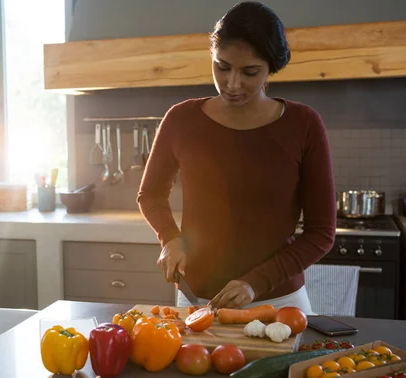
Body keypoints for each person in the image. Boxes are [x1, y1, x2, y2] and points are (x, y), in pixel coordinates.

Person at [137, 1, 336, 314]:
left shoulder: (304, 124)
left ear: (271, 67)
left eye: (250, 72)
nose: (232, 84)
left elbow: (321, 233)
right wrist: (169, 238)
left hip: (278, 302)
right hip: (197, 298)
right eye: (222, 67)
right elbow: (150, 195)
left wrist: (255, 282)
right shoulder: (181, 119)